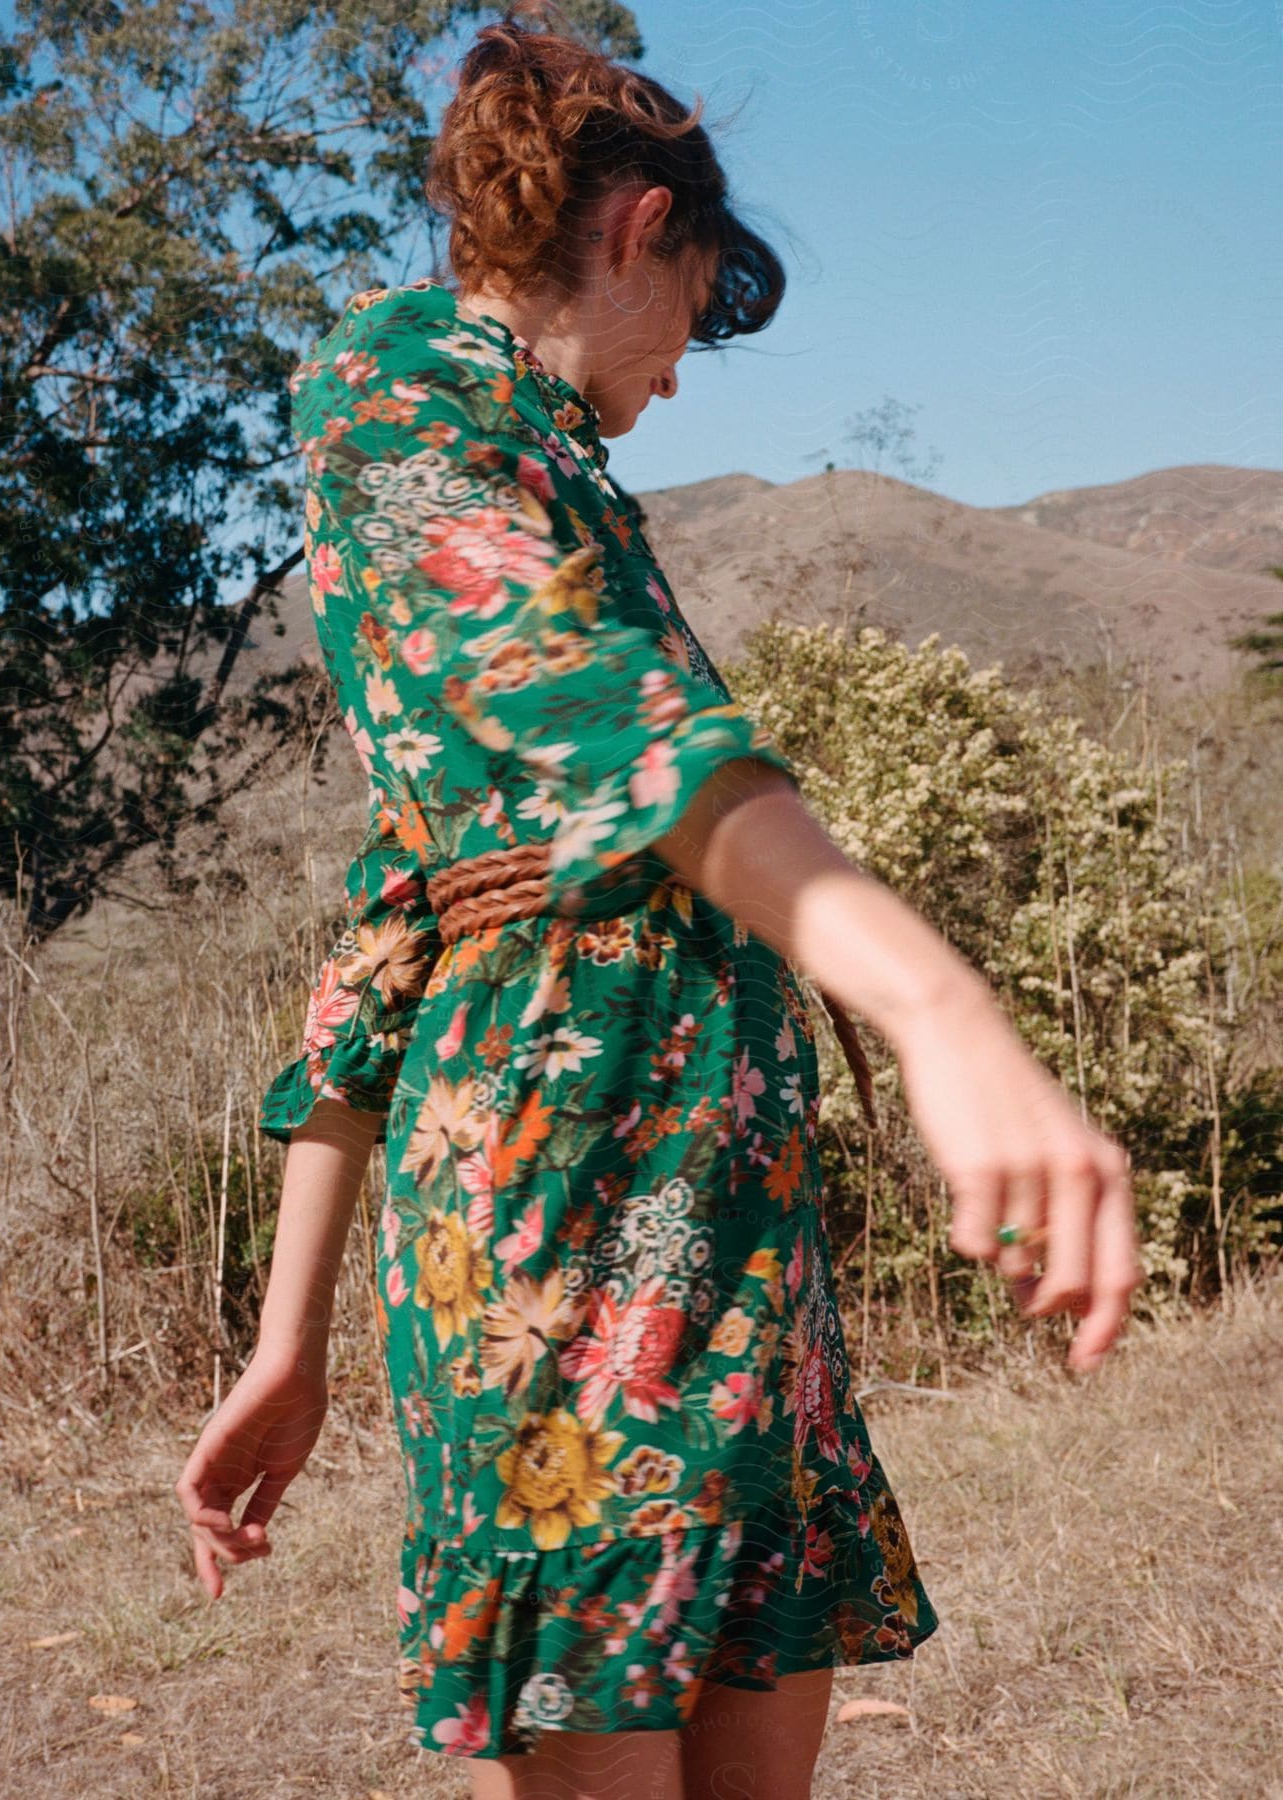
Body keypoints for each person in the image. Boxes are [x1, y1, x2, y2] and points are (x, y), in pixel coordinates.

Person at [175, 8, 1143, 1797]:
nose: (682, 379)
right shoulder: (396, 392)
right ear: (640, 234)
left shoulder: (564, 488)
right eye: (693, 315)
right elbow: (607, 744)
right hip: (560, 1218)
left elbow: (396, 904)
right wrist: (936, 1006)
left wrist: (285, 1342)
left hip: (734, 1238)